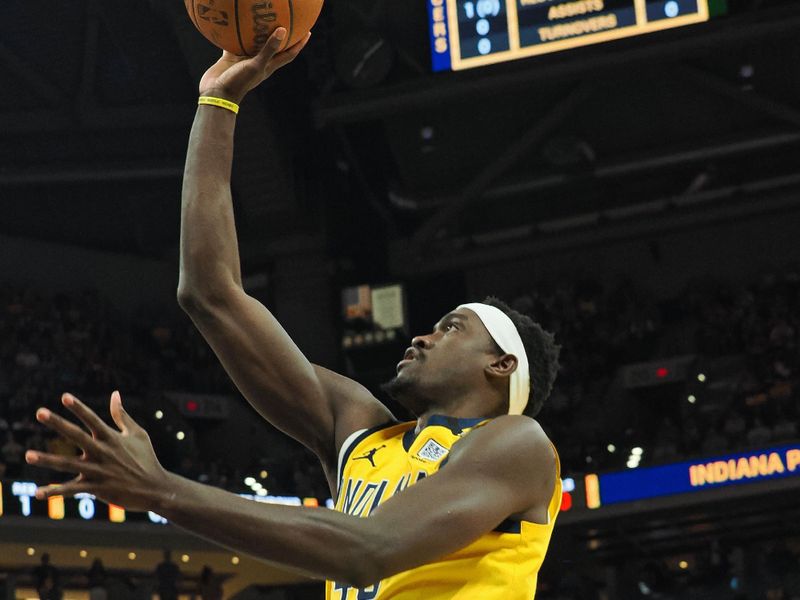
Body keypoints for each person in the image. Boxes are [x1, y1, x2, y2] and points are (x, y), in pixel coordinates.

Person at [24, 26, 562, 600]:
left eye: (452, 327)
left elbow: (369, 550)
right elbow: (210, 293)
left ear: (501, 366)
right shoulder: (361, 433)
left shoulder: (518, 446)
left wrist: (162, 490)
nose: (423, 338)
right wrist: (217, 102)